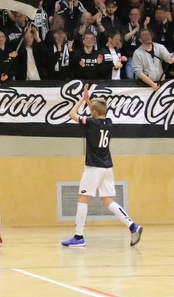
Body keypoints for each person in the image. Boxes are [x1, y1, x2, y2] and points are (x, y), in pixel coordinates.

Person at [62, 84, 143, 247]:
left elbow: (72, 114)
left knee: (82, 199)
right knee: (108, 200)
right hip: (107, 166)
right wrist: (89, 101)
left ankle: (78, 237)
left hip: (94, 167)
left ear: (93, 112)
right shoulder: (109, 122)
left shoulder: (91, 123)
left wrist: (81, 100)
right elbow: (96, 113)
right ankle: (133, 226)